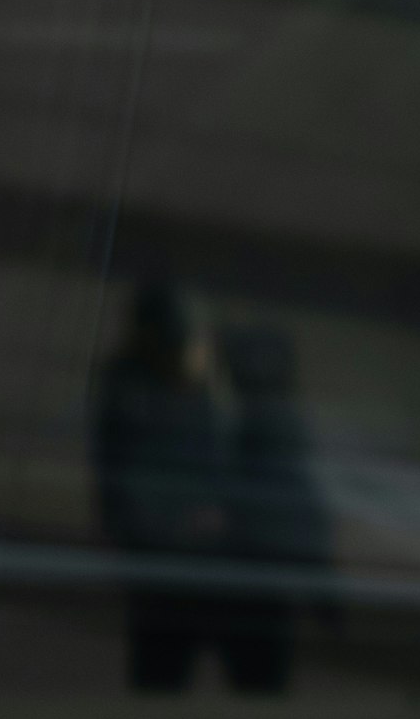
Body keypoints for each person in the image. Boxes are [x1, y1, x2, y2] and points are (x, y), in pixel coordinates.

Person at [92, 281, 244, 694]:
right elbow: (122, 477)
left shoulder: (202, 390)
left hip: (197, 555)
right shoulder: (132, 392)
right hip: (170, 554)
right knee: (163, 668)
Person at [217, 322, 332, 695]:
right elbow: (305, 512)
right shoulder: (276, 431)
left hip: (250, 577)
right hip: (264, 579)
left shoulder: (245, 432)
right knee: (262, 681)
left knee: (255, 681)